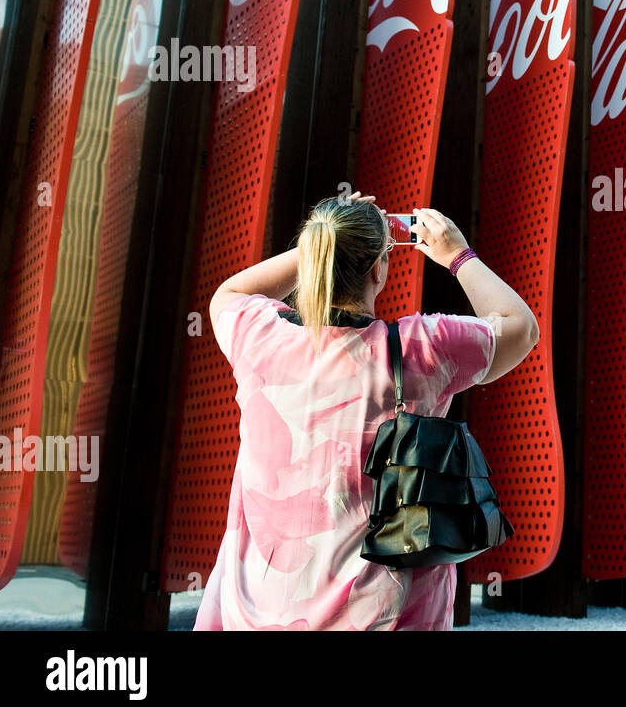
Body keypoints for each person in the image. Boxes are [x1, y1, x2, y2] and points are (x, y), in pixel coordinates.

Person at [194, 192, 539, 630]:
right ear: (380, 269)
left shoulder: (256, 334)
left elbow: (233, 290)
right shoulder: (423, 348)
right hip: (383, 615)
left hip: (260, 613)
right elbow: (521, 327)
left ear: (313, 255)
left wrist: (323, 239)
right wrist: (457, 254)